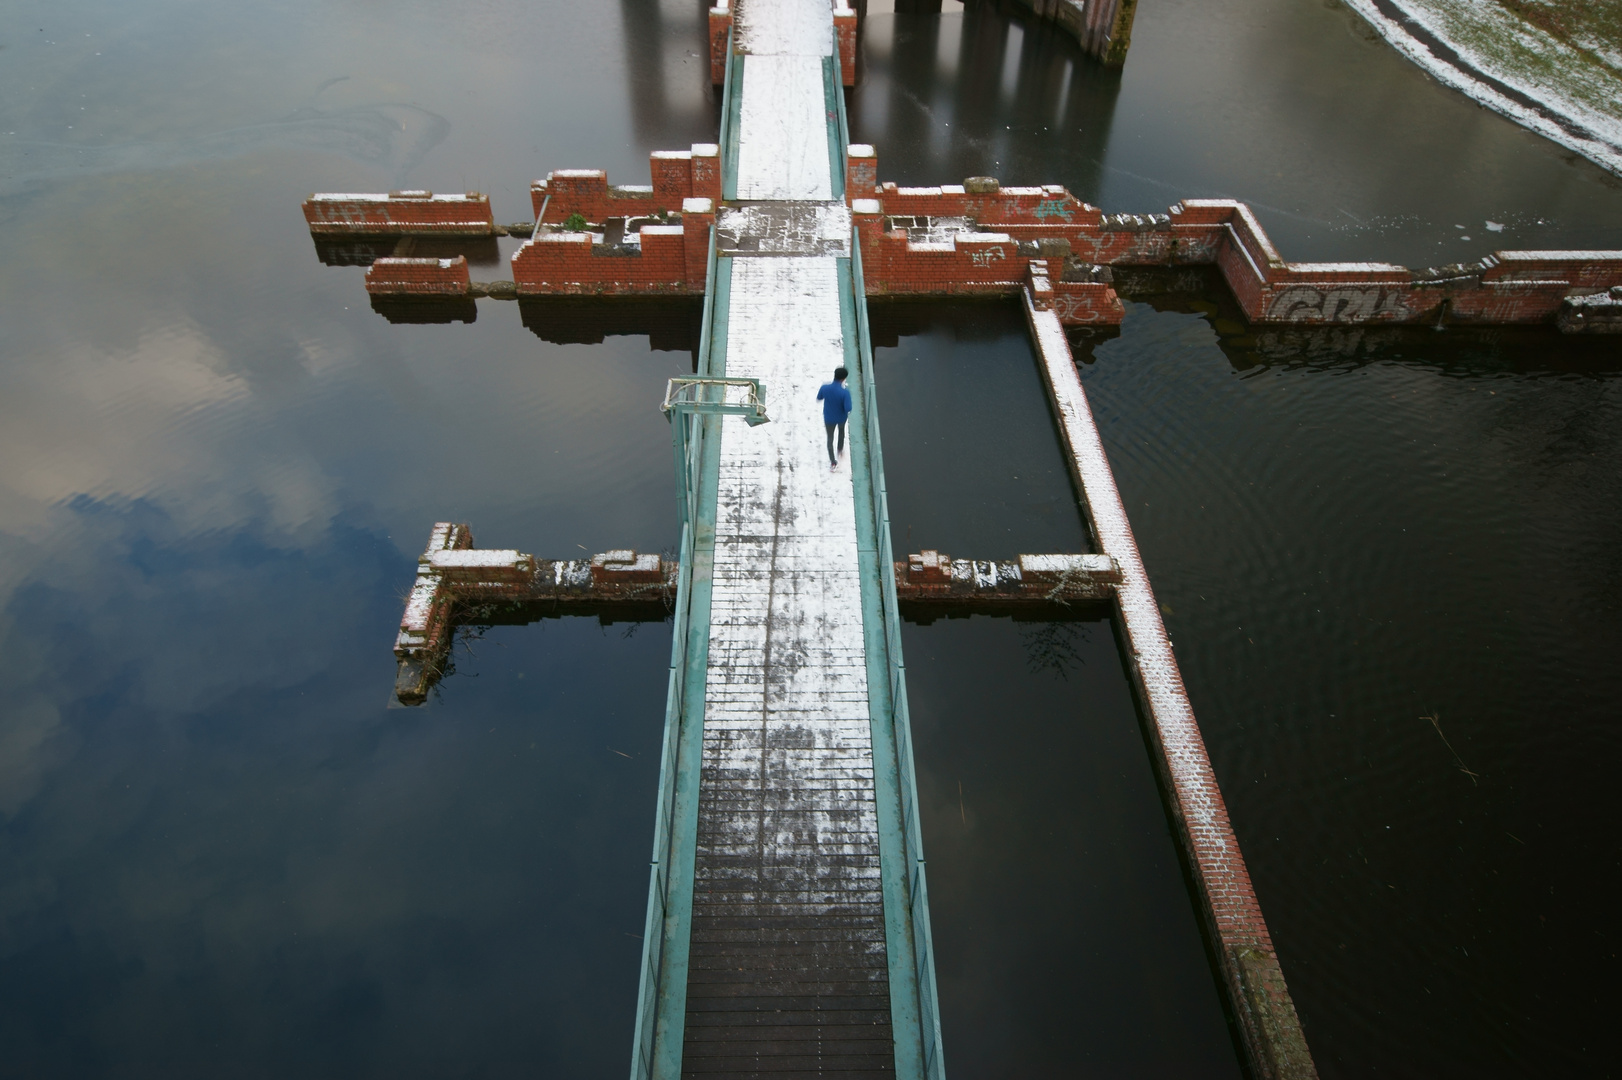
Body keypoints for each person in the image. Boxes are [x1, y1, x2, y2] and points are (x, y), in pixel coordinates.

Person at [816, 366, 852, 471]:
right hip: (841, 418)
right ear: (844, 379)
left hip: (828, 418)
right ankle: (840, 449)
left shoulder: (825, 388)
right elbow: (848, 408)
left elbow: (819, 398)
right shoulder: (845, 393)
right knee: (841, 432)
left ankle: (833, 462)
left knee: (830, 439)